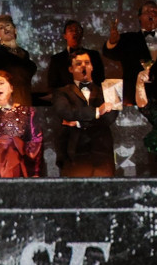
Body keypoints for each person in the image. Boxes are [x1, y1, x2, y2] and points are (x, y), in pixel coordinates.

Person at [104, 3, 157, 105]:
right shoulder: (127, 39)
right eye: (148, 11)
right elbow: (110, 54)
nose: (151, 14)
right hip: (134, 99)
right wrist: (112, 42)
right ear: (140, 17)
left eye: (155, 12)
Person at [50, 48, 119, 177]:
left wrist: (78, 123)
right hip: (74, 152)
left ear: (92, 67)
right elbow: (66, 112)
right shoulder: (61, 92)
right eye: (78, 64)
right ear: (70, 69)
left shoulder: (109, 90)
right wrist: (97, 111)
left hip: (102, 153)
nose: (84, 66)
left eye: (87, 63)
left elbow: (110, 118)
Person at [0, 13, 38, 97]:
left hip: (24, 96)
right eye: (1, 28)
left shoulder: (24, 53)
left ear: (15, 30)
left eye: (8, 25)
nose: (5, 29)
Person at [45, 20, 105, 90]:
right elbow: (52, 86)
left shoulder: (94, 56)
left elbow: (100, 80)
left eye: (77, 30)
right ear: (65, 36)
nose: (74, 32)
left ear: (82, 34)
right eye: (71, 30)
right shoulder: (57, 59)